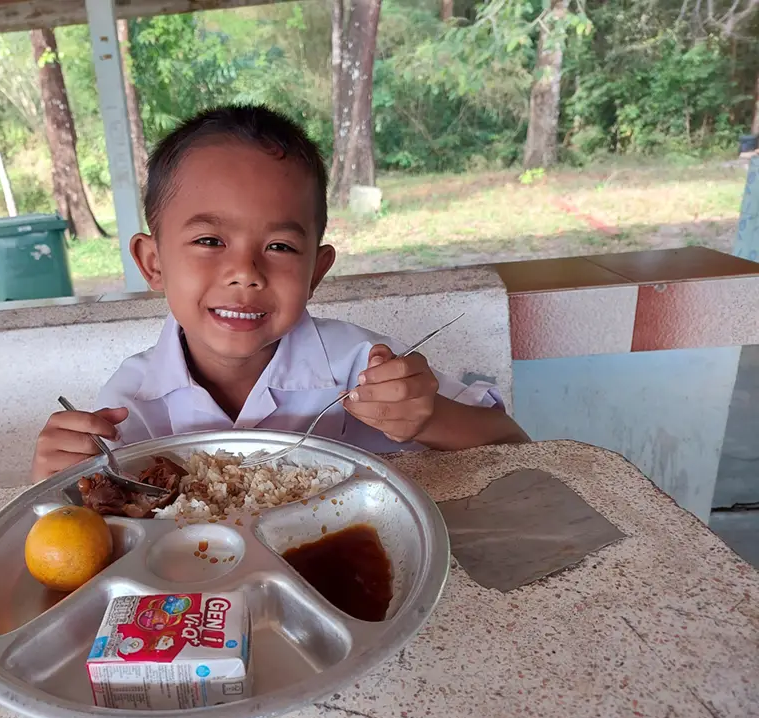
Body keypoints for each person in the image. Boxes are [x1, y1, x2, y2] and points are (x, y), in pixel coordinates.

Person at [31, 105, 528, 482]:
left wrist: (428, 417)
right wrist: (61, 482)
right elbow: (105, 514)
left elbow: (515, 446)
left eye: (279, 246)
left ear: (316, 271)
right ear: (153, 262)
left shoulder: (363, 367)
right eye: (209, 241)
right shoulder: (133, 402)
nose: (245, 273)